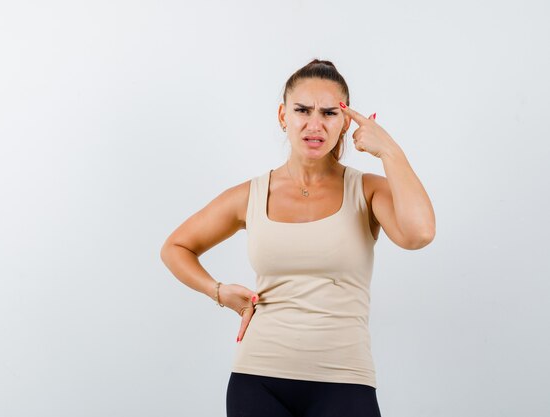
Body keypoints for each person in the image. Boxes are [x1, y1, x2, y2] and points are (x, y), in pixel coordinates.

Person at [160, 59, 436, 417]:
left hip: (345, 380)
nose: (314, 125)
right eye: (302, 110)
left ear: (347, 121)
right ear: (282, 115)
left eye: (329, 113)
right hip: (257, 379)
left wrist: (390, 152)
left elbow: (419, 233)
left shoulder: (366, 191)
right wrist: (219, 291)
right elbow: (175, 248)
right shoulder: (251, 195)